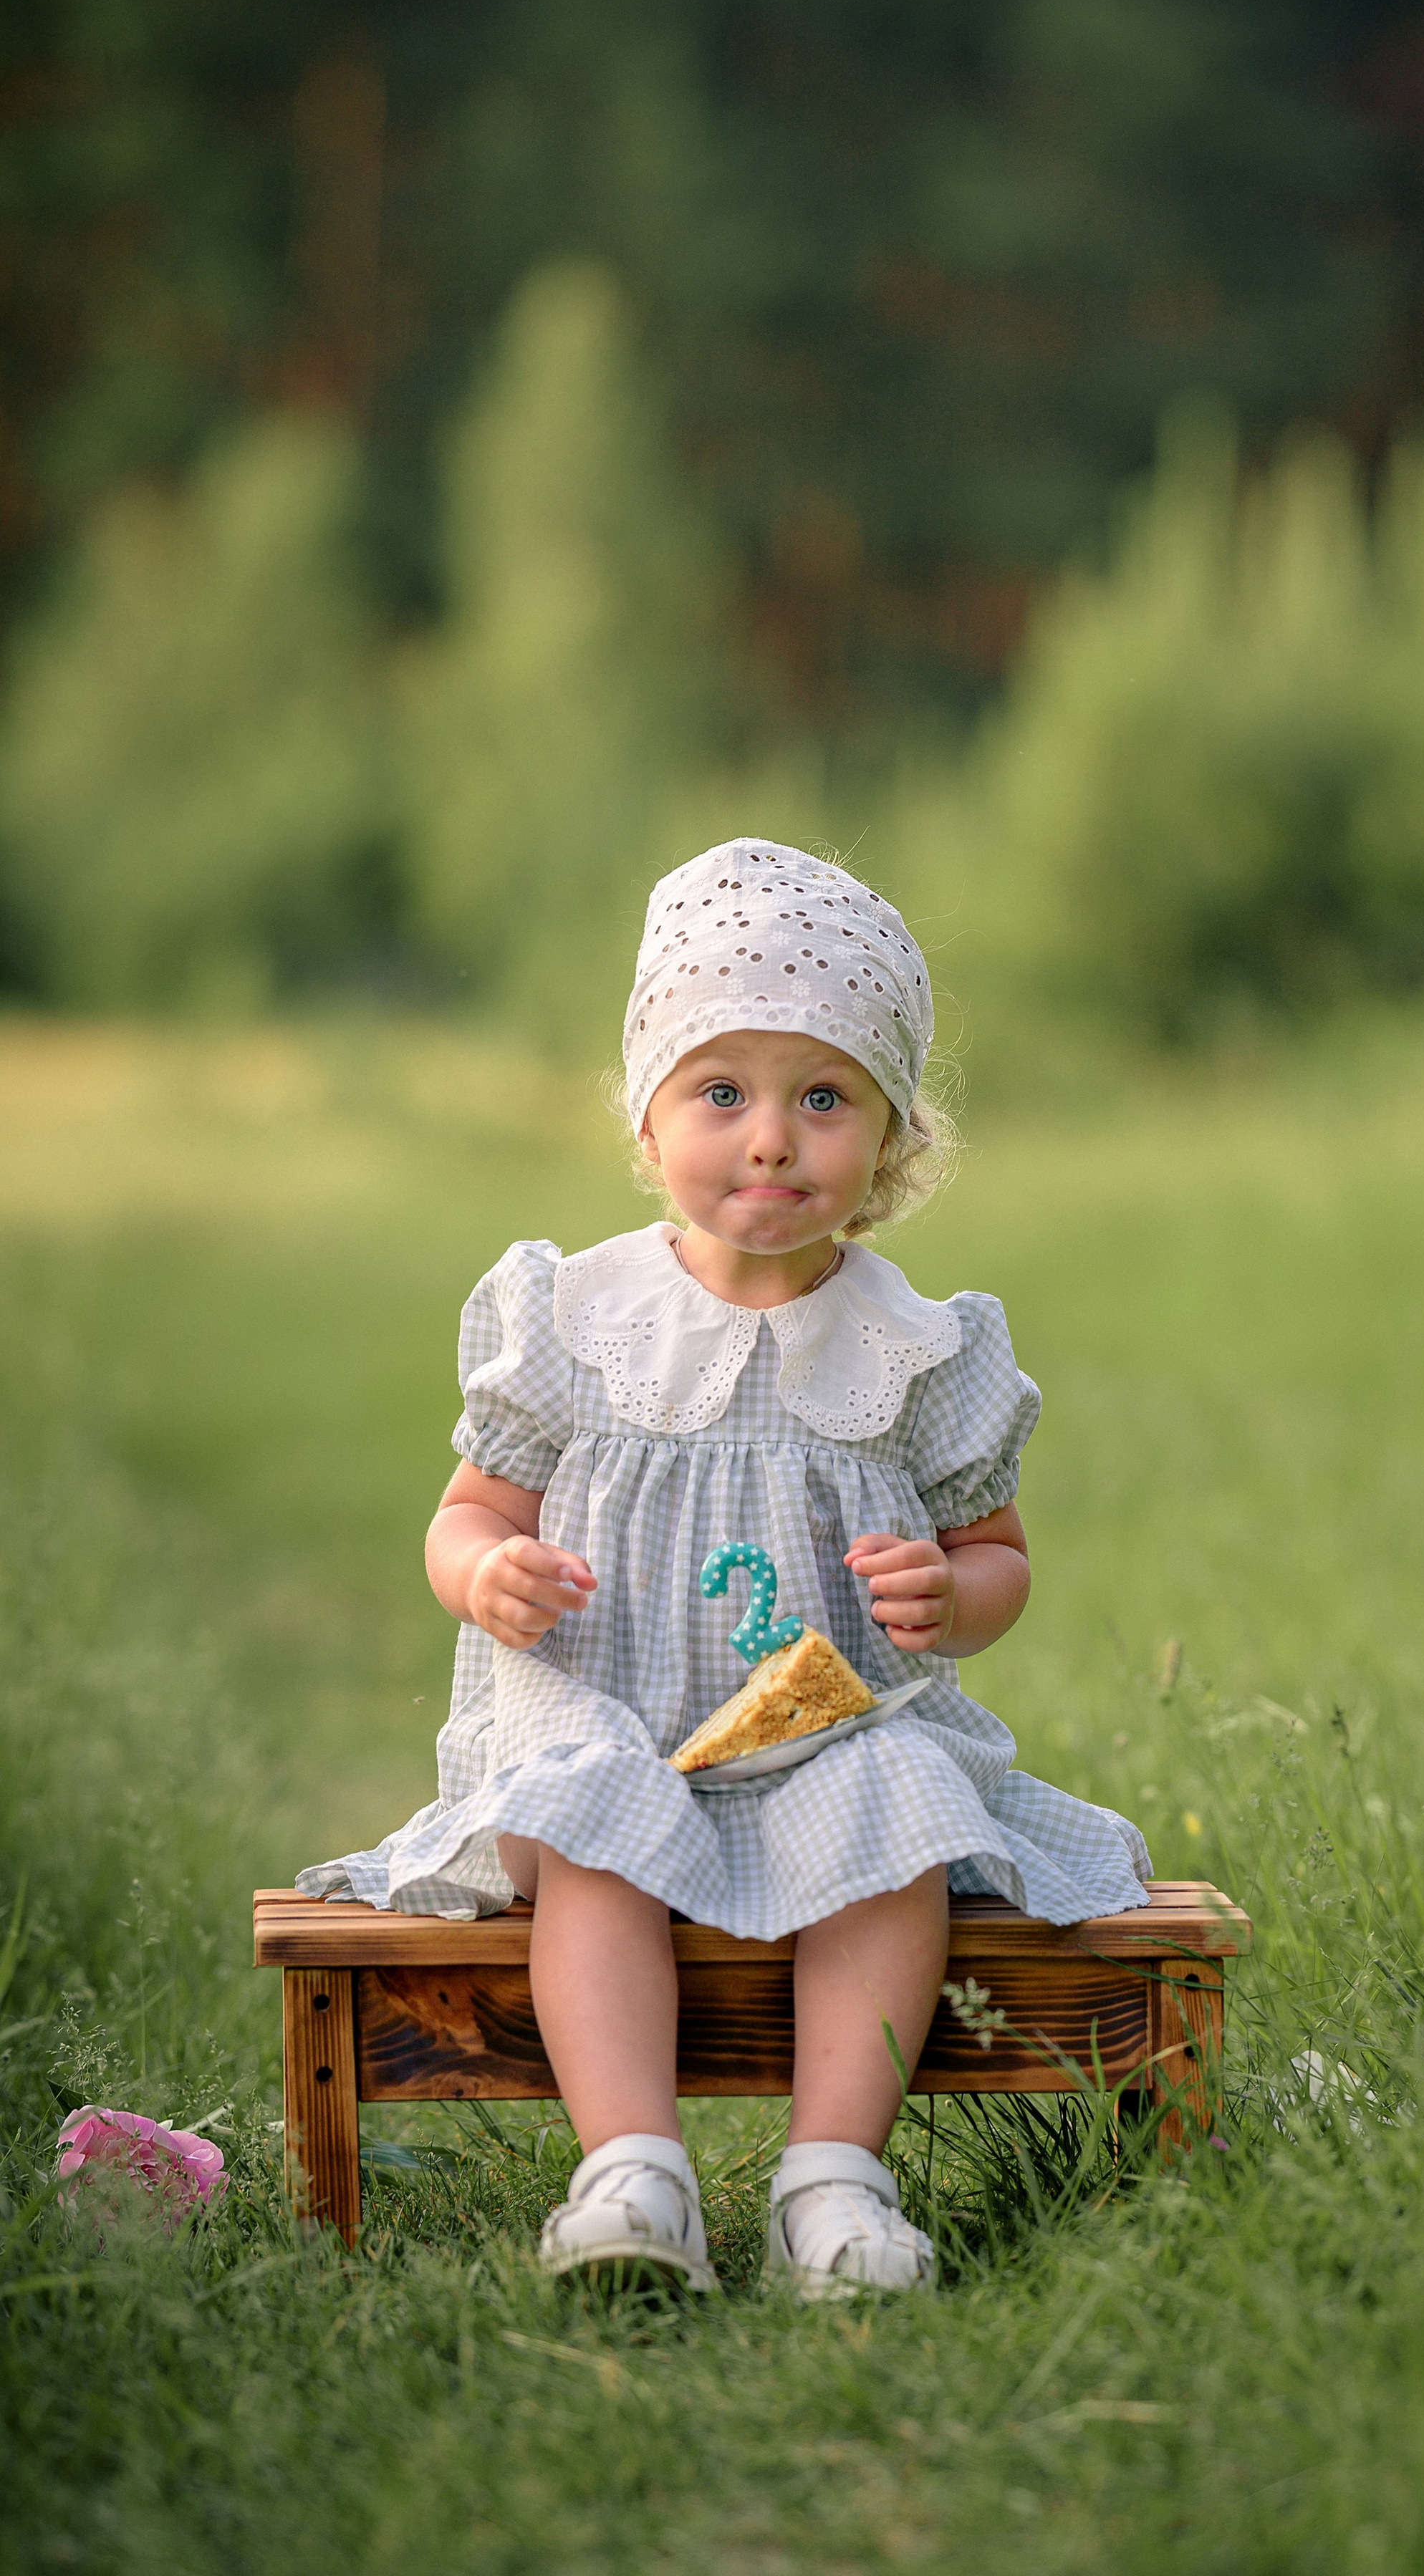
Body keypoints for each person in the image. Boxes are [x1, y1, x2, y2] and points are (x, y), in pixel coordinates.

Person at [298, 839, 1148, 2294]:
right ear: (648, 1114)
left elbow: (996, 1554)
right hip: (611, 1722)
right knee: (588, 1827)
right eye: (721, 1091)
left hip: (832, 1729)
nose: (769, 1137)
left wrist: (955, 1600)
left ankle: (835, 2179)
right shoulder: (577, 1317)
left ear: (888, 1137)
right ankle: (633, 2170)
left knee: (901, 1823)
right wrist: (481, 1573)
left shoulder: (916, 1348)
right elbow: (466, 1511)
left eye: (822, 1097)